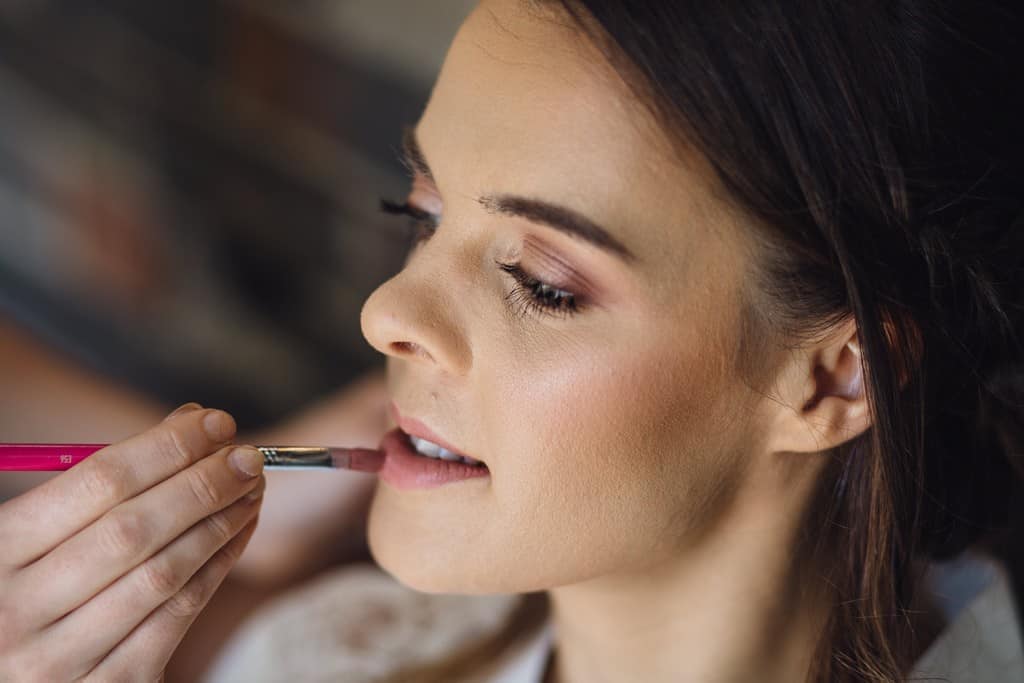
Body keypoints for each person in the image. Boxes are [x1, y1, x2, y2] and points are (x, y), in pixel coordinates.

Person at [2, 1, 1023, 681]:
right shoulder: (323, 654)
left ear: (834, 375)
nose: (384, 312)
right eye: (421, 215)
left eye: (542, 284)